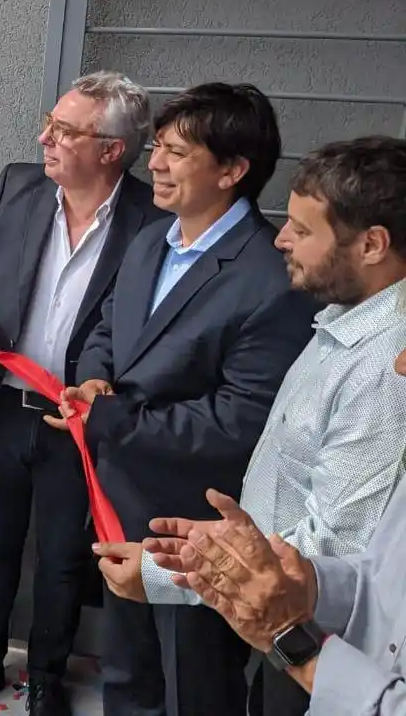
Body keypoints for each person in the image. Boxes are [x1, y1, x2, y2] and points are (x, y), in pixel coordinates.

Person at [93, 136, 406, 716]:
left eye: (303, 230)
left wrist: (170, 574)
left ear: (372, 244)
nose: (281, 238)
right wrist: (204, 550)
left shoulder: (387, 370)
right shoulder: (344, 320)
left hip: (324, 646)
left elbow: (336, 550)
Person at [51, 83, 319, 716]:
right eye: (158, 148)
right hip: (121, 501)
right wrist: (93, 381)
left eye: (176, 153)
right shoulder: (152, 239)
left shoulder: (268, 276)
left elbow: (239, 422)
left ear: (232, 170)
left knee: (193, 688)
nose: (156, 165)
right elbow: (106, 329)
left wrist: (108, 418)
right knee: (127, 676)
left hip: (195, 530)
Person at [0, 72, 164, 716]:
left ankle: (47, 678)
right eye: (49, 124)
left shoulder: (152, 221)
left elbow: (139, 323)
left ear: (111, 149)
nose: (45, 139)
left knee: (62, 558)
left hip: (77, 423)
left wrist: (102, 388)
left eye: (64, 130)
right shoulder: (18, 185)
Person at [149, 383, 406, 715]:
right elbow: (380, 580)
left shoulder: (380, 375)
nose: (399, 363)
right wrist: (299, 578)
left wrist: (294, 646)